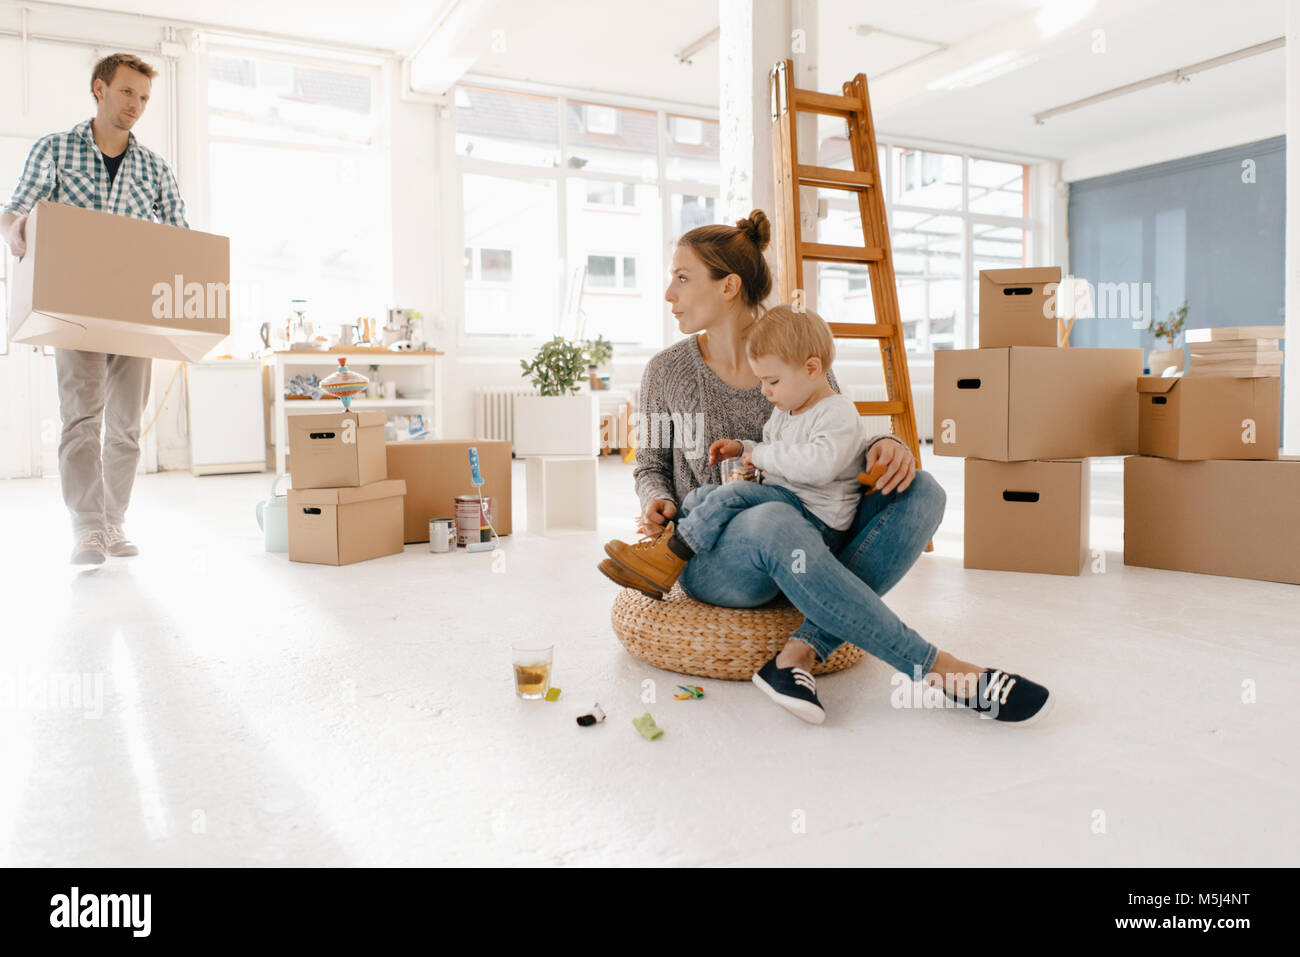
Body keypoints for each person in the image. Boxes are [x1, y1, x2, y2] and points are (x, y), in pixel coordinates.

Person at [605, 209, 1052, 727]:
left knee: (923, 492)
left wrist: (889, 443)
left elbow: (839, 434)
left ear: (728, 286)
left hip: (807, 534)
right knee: (773, 519)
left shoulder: (796, 352)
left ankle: (794, 656)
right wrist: (653, 500)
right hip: (720, 557)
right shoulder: (666, 371)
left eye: (681, 278)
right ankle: (944, 671)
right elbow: (651, 465)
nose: (669, 293)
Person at [1, 53, 189, 565]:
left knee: (126, 426)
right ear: (99, 89)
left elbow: (181, 237)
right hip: (73, 305)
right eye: (128, 92)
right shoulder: (56, 149)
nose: (137, 105)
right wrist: (15, 231)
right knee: (82, 420)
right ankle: (87, 528)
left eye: (145, 98)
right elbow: (14, 210)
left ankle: (113, 521)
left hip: (134, 312)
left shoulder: (154, 167)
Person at [602, 304, 870, 603]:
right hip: (787, 500)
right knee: (698, 497)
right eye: (762, 382)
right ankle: (664, 559)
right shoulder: (787, 408)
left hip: (814, 518)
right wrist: (744, 449)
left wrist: (761, 456)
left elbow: (820, 463)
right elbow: (773, 450)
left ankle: (670, 556)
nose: (765, 393)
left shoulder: (833, 408)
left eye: (772, 382)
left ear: (811, 369)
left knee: (735, 494)